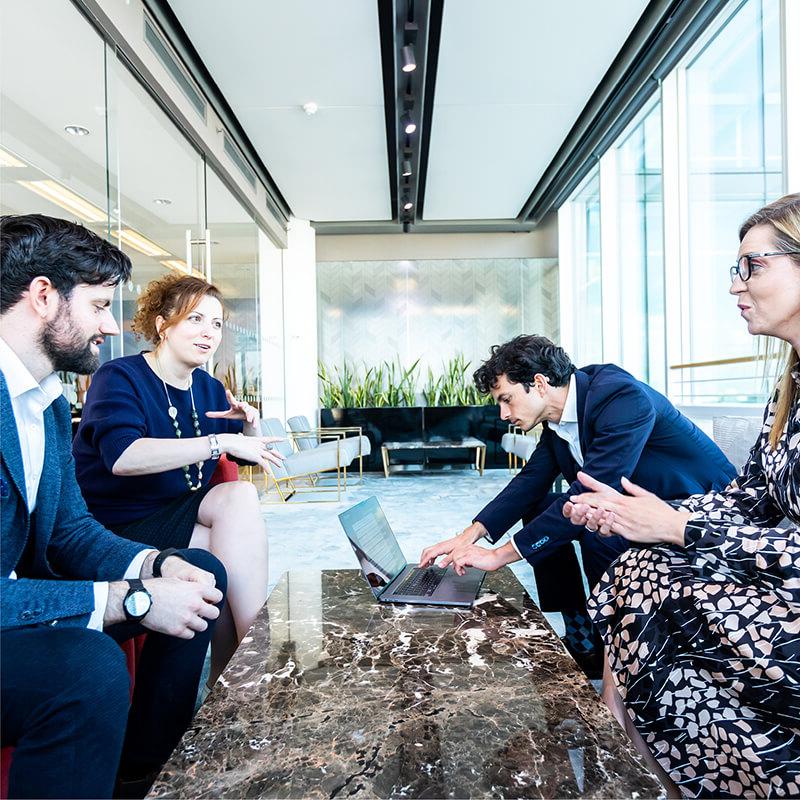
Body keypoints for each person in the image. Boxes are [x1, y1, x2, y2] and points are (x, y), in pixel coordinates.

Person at [563, 193, 800, 798]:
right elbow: (750, 498)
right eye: (736, 268)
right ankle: (632, 760)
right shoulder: (789, 389)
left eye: (754, 266)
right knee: (636, 562)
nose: (736, 286)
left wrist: (678, 528)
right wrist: (642, 514)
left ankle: (662, 761)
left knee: (655, 580)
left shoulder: (616, 393)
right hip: (772, 576)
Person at [0, 213, 228, 798]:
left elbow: (71, 530)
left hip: (25, 589)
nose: (109, 325)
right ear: (44, 297)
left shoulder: (46, 402)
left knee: (198, 573)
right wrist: (135, 597)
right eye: (100, 306)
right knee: (85, 668)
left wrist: (154, 566)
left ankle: (146, 771)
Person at [419, 335, 736, 676]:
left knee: (594, 522)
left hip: (700, 509)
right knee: (544, 504)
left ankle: (620, 644)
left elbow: (595, 492)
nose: (503, 413)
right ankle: (581, 630)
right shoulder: (558, 419)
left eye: (507, 399)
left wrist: (499, 556)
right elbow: (529, 483)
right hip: (636, 502)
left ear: (538, 384)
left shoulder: (620, 398)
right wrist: (467, 537)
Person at [73, 273, 282, 684]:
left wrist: (251, 428)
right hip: (115, 524)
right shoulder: (119, 377)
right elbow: (123, 457)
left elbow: (246, 459)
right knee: (218, 555)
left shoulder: (208, 388)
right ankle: (251, 661)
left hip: (178, 511)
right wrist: (217, 441)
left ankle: (236, 670)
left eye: (217, 324)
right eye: (195, 320)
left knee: (237, 501)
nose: (209, 333)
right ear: (162, 324)